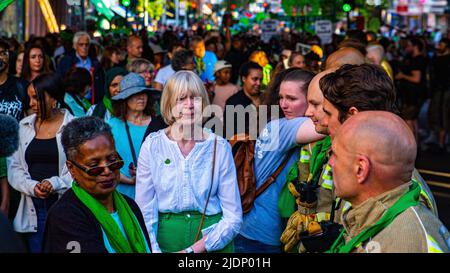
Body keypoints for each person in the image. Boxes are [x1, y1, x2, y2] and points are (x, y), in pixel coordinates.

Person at [135, 71, 242, 253]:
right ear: (169, 103)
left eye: (196, 98)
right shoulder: (153, 146)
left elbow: (233, 217)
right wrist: (154, 249)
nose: (190, 105)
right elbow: (144, 209)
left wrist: (193, 250)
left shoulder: (219, 146)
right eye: (181, 99)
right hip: (164, 242)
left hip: (212, 241)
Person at [320, 64, 436, 214]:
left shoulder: (399, 187)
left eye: (328, 114)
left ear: (353, 115)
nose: (324, 122)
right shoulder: (380, 168)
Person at [327, 111, 450, 253]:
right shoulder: (378, 217)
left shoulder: (407, 242)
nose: (330, 163)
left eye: (335, 155)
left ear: (361, 169)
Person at [235, 69, 324, 253]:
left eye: (291, 99)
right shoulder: (282, 127)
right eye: (282, 97)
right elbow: (328, 124)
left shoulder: (279, 124)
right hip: (259, 238)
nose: (283, 104)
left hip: (258, 232)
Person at [43, 116, 151, 253]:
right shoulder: (65, 216)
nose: (107, 171)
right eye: (94, 166)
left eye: (113, 161)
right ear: (71, 169)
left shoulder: (130, 205)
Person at [7, 73, 73, 253]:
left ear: (53, 98)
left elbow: (78, 170)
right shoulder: (23, 127)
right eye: (29, 98)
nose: (31, 103)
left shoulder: (73, 127)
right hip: (32, 209)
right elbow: (14, 168)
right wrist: (33, 187)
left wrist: (55, 183)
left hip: (64, 205)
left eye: (36, 98)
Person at [107, 73, 155, 199]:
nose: (141, 97)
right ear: (125, 98)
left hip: (153, 193)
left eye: (143, 93)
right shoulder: (112, 126)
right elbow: (106, 163)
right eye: (135, 94)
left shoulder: (157, 124)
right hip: (123, 193)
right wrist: (129, 180)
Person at [57, 32, 104, 105]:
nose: (84, 47)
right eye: (81, 44)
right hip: (72, 102)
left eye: (86, 44)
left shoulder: (95, 63)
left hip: (92, 102)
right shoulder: (66, 62)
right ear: (75, 46)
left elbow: (100, 85)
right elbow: (60, 81)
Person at [395, 37, 427, 140]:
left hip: (414, 95)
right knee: (413, 120)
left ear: (415, 46)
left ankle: (412, 146)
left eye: (408, 45)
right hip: (413, 95)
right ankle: (416, 144)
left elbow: (416, 79)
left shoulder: (417, 60)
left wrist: (402, 76)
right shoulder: (416, 59)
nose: (406, 48)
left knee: (408, 120)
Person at [223, 61, 263, 139]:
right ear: (244, 78)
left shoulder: (266, 98)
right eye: (255, 79)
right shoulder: (233, 103)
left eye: (260, 80)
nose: (258, 83)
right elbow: (231, 134)